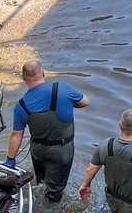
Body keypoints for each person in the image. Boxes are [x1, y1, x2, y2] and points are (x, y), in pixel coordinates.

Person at [5, 60, 89, 202]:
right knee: (54, 192)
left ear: (24, 79)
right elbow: (85, 101)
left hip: (37, 150)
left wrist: (10, 159)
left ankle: (36, 202)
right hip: (61, 151)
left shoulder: (21, 105)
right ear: (43, 72)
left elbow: (16, 135)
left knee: (41, 183)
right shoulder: (63, 88)